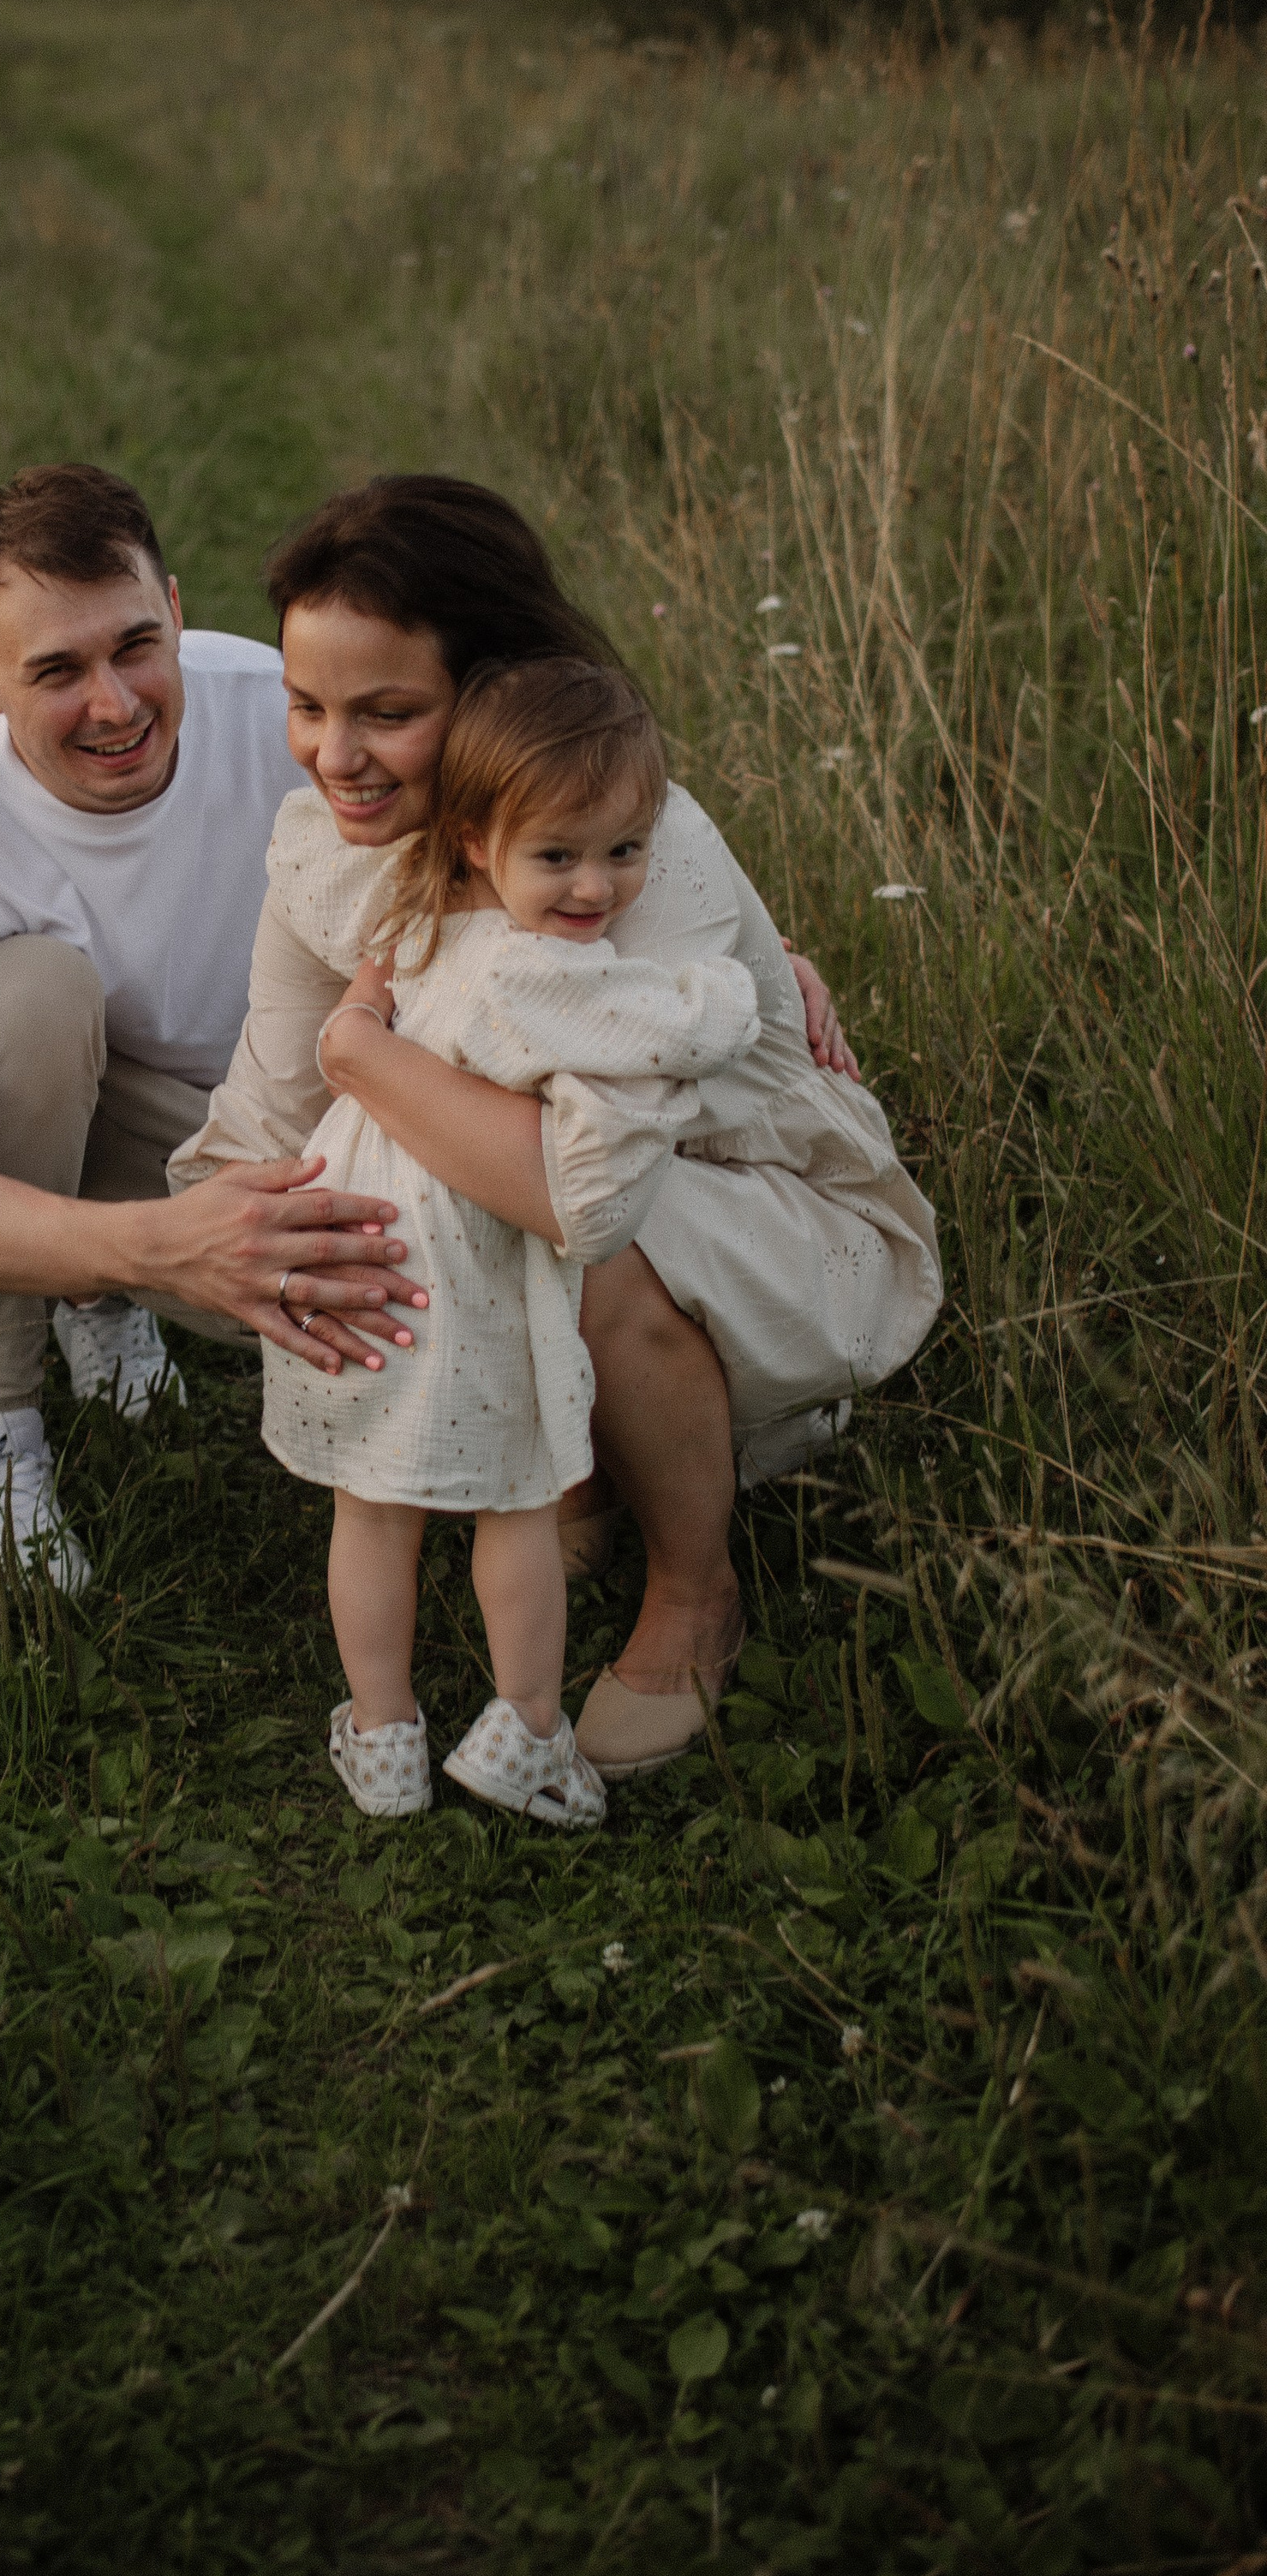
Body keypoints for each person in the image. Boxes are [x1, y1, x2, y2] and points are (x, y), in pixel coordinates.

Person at [174, 474, 941, 1776]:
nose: (336, 755)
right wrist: (227, 1234)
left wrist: (362, 1051)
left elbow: (583, 1193)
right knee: (332, 1208)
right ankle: (571, 1473)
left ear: (489, 698)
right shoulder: (326, 848)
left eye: (389, 714)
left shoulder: (628, 848)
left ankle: (695, 1592)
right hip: (541, 1201)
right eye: (308, 708)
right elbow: (278, 1101)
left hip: (743, 1216)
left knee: (576, 1243)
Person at [0, 461, 424, 1594]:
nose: (115, 702)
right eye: (55, 670)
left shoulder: (290, 722)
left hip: (206, 1100)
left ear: (179, 611)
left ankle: (91, 1292)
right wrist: (168, 1249)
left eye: (135, 644)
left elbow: (537, 804)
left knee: (389, 1302)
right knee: (36, 994)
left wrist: (739, 948)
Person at [264, 655, 762, 1829]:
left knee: (368, 1507)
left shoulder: (416, 919)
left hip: (359, 1233)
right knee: (519, 1501)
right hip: (465, 1253)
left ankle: (383, 1730)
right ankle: (527, 1730)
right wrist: (743, 986)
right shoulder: (551, 972)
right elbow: (688, 1023)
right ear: (482, 841)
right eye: (560, 856)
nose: (595, 887)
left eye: (624, 851)